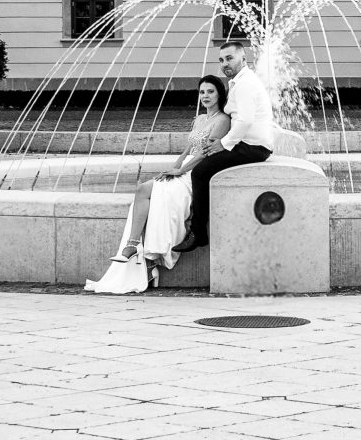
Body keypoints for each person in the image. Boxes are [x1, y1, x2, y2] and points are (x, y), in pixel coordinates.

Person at [84, 74, 230, 294]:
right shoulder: (200, 119)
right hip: (185, 168)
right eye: (202, 92)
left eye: (210, 91)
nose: (205, 96)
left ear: (219, 94)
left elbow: (204, 153)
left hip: (198, 173)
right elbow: (188, 150)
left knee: (145, 191)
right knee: (144, 191)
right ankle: (139, 253)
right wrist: (174, 168)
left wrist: (181, 172)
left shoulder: (223, 120)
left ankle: (135, 248)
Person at [179, 43, 275, 253]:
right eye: (221, 60)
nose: (225, 64)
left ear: (243, 59)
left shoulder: (245, 84)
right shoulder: (240, 81)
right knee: (204, 164)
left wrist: (223, 144)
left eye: (230, 58)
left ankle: (197, 233)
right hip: (248, 144)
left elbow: (245, 121)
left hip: (253, 147)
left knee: (200, 172)